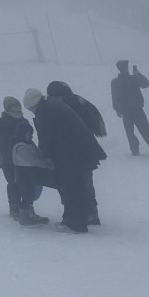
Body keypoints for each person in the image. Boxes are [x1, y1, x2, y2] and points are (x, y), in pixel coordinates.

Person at [24, 87, 106, 234]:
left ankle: (75, 224)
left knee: (70, 187)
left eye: (31, 109)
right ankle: (79, 219)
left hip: (72, 154)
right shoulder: (52, 105)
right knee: (77, 186)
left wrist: (45, 158)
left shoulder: (44, 111)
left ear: (34, 105)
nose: (33, 112)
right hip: (79, 151)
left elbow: (46, 137)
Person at [44, 81, 107, 225]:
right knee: (84, 181)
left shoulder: (71, 108)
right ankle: (89, 212)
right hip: (81, 151)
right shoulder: (79, 103)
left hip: (79, 152)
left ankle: (88, 213)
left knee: (82, 182)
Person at [0, 96, 48, 225]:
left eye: (18, 105)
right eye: (14, 106)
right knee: (13, 182)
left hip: (22, 158)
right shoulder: (3, 121)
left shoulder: (23, 120)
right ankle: (15, 207)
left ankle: (26, 207)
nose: (17, 108)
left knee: (25, 182)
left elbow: (29, 136)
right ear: (7, 108)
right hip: (8, 158)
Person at [110, 60, 149, 156]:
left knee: (129, 131)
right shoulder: (133, 78)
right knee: (145, 130)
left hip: (125, 110)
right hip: (137, 108)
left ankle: (134, 149)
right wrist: (138, 74)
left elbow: (114, 96)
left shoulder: (115, 82)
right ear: (126, 68)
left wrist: (117, 109)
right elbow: (146, 84)